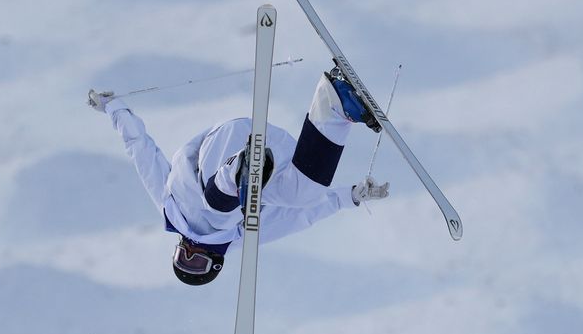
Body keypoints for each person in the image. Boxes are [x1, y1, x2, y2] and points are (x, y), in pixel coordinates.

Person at [88, 68, 390, 286]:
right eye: (195, 262)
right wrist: (351, 197)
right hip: (269, 151)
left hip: (217, 150)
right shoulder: (244, 236)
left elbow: (141, 150)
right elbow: (300, 218)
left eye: (182, 255)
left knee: (219, 213)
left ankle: (238, 170)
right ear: (216, 263)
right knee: (302, 195)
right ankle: (335, 104)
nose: (191, 250)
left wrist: (114, 108)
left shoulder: (168, 207)